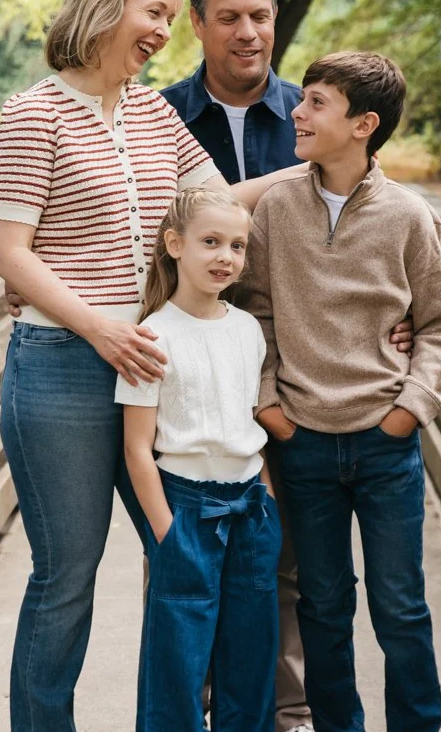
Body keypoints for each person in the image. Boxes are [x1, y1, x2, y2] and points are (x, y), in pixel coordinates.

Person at [0, 0, 298, 732]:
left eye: (166, 16)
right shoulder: (34, 113)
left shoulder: (154, 113)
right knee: (67, 577)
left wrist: (326, 174)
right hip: (60, 368)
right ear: (106, 5)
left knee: (183, 557)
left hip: (154, 367)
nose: (162, 30)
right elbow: (8, 250)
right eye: (153, 12)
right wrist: (101, 329)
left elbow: (221, 205)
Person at [161, 0, 416, 732]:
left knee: (291, 557)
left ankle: (285, 708)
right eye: (229, 17)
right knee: (186, 541)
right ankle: (194, 700)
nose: (248, 32)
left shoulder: (315, 112)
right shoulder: (159, 118)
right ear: (197, 23)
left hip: (296, 371)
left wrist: (391, 326)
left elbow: (370, 218)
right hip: (192, 366)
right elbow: (146, 224)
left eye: (261, 16)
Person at [245, 51, 441, 732]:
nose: (297, 111)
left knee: (400, 607)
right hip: (303, 442)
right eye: (303, 98)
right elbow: (257, 312)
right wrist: (270, 406)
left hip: (384, 445)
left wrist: (410, 409)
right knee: (323, 606)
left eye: (317, 102)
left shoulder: (408, 216)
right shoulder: (277, 208)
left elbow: (440, 323)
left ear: (363, 124)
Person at [118, 185, 282, 732]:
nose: (225, 257)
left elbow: (248, 424)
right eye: (210, 242)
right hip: (186, 508)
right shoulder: (152, 336)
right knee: (178, 660)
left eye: (237, 246)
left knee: (251, 656)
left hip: (251, 508)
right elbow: (137, 448)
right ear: (175, 245)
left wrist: (267, 501)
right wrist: (167, 533)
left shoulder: (246, 330)